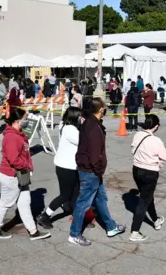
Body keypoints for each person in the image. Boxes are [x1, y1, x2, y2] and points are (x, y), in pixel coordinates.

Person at [69, 98, 126, 246]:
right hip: (91, 171)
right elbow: (95, 156)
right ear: (101, 109)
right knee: (83, 203)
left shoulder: (89, 123)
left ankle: (111, 227)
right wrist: (99, 169)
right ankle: (74, 234)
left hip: (92, 171)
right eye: (104, 108)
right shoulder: (93, 127)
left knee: (101, 199)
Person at [0, 107, 51, 241]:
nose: (27, 121)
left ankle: (33, 231)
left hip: (20, 175)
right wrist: (27, 166)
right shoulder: (12, 137)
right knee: (6, 203)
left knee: (24, 202)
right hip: (12, 175)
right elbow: (14, 159)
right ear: (18, 121)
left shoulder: (19, 134)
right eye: (25, 118)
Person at [37, 107, 82, 229]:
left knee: (75, 193)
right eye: (80, 117)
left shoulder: (66, 126)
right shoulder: (70, 130)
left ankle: (77, 216)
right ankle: (45, 216)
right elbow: (83, 141)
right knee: (65, 195)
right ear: (74, 118)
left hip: (69, 166)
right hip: (66, 167)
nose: (82, 119)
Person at [129, 115, 166, 242]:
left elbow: (133, 149)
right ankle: (135, 231)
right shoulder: (155, 140)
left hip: (136, 170)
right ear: (156, 126)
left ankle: (156, 220)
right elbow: (165, 156)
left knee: (147, 196)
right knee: (143, 201)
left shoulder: (137, 135)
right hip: (150, 172)